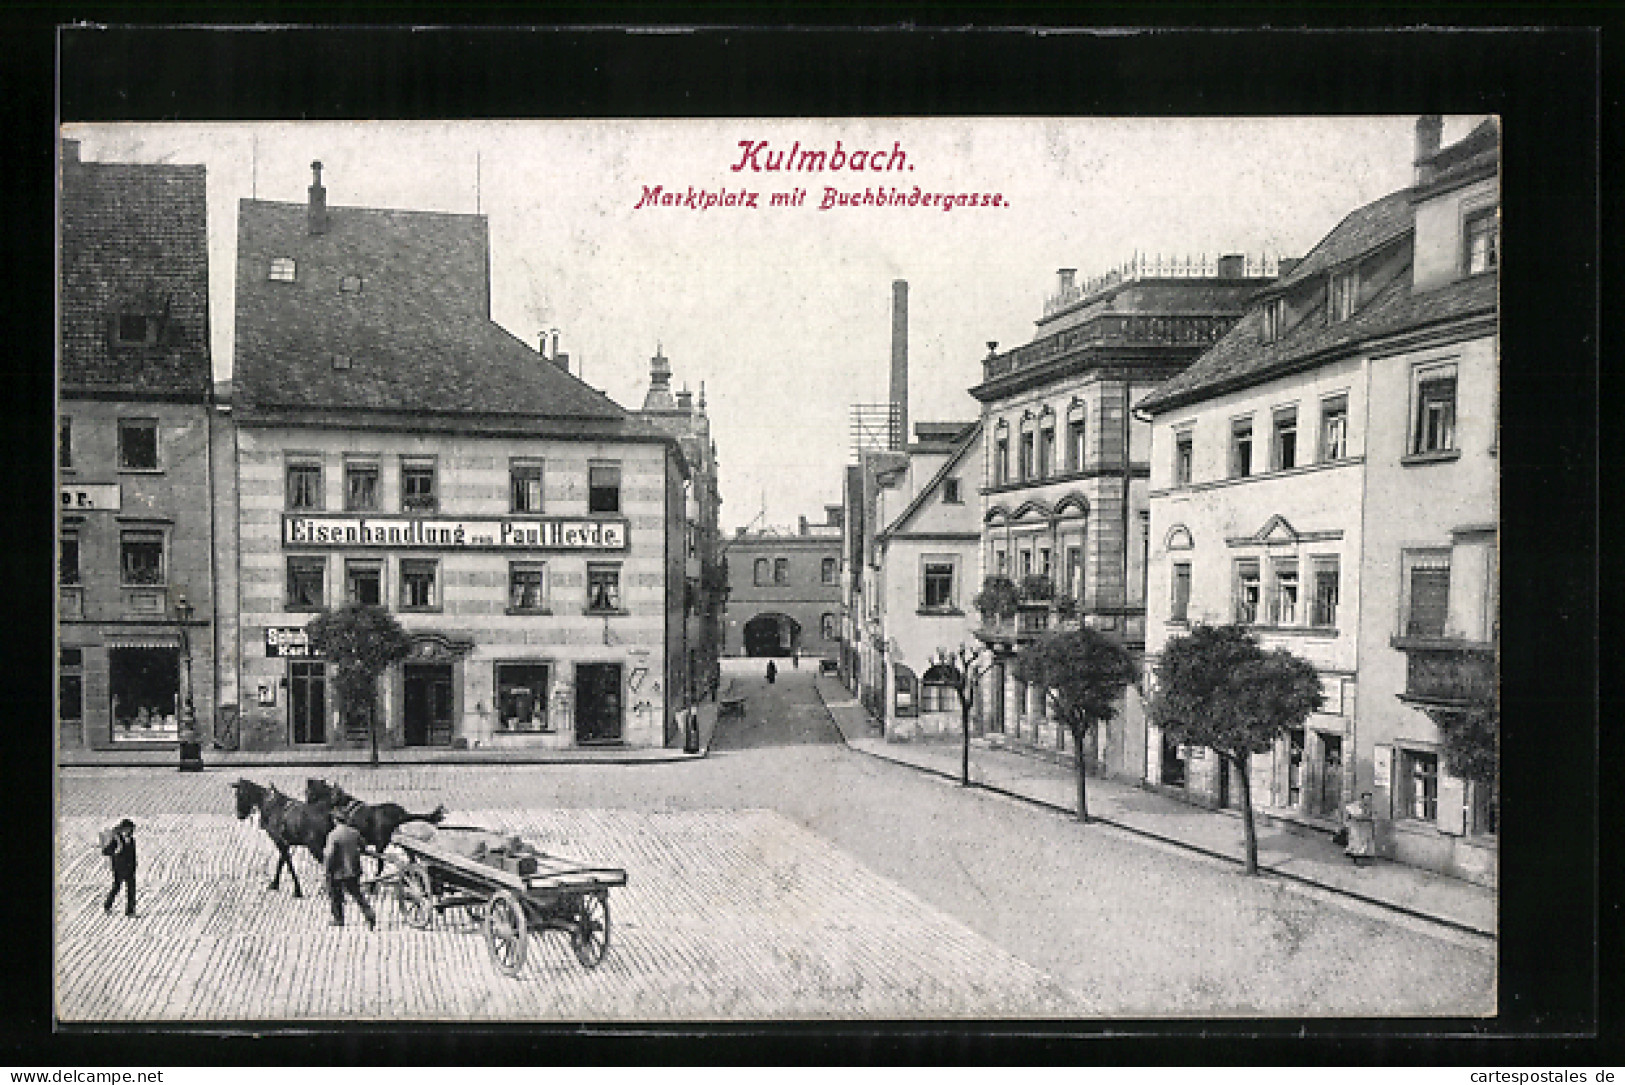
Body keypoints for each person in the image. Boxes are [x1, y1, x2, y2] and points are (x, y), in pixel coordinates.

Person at [324, 817, 377, 929]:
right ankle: (369, 915)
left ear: (335, 821)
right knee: (357, 894)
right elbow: (363, 846)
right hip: (353, 869)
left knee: (335, 895)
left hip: (338, 871)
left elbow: (329, 855)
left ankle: (339, 919)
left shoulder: (333, 835)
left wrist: (327, 870)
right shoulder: (354, 832)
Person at [101, 818, 137, 917]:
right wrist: (114, 853)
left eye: (131, 829)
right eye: (128, 829)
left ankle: (130, 911)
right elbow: (106, 851)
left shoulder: (132, 840)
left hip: (129, 869)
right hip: (119, 869)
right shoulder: (117, 840)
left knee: (131, 890)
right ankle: (107, 906)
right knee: (116, 887)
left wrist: (134, 866)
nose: (130, 831)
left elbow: (133, 855)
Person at [1342, 792, 1376, 866]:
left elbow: (1373, 817)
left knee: (1365, 842)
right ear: (1362, 799)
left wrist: (1371, 820)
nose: (1367, 801)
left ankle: (1364, 858)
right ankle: (1357, 859)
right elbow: (1352, 815)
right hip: (1356, 826)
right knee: (1356, 842)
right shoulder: (1355, 806)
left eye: (1369, 799)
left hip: (1366, 827)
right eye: (1366, 799)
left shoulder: (1371, 807)